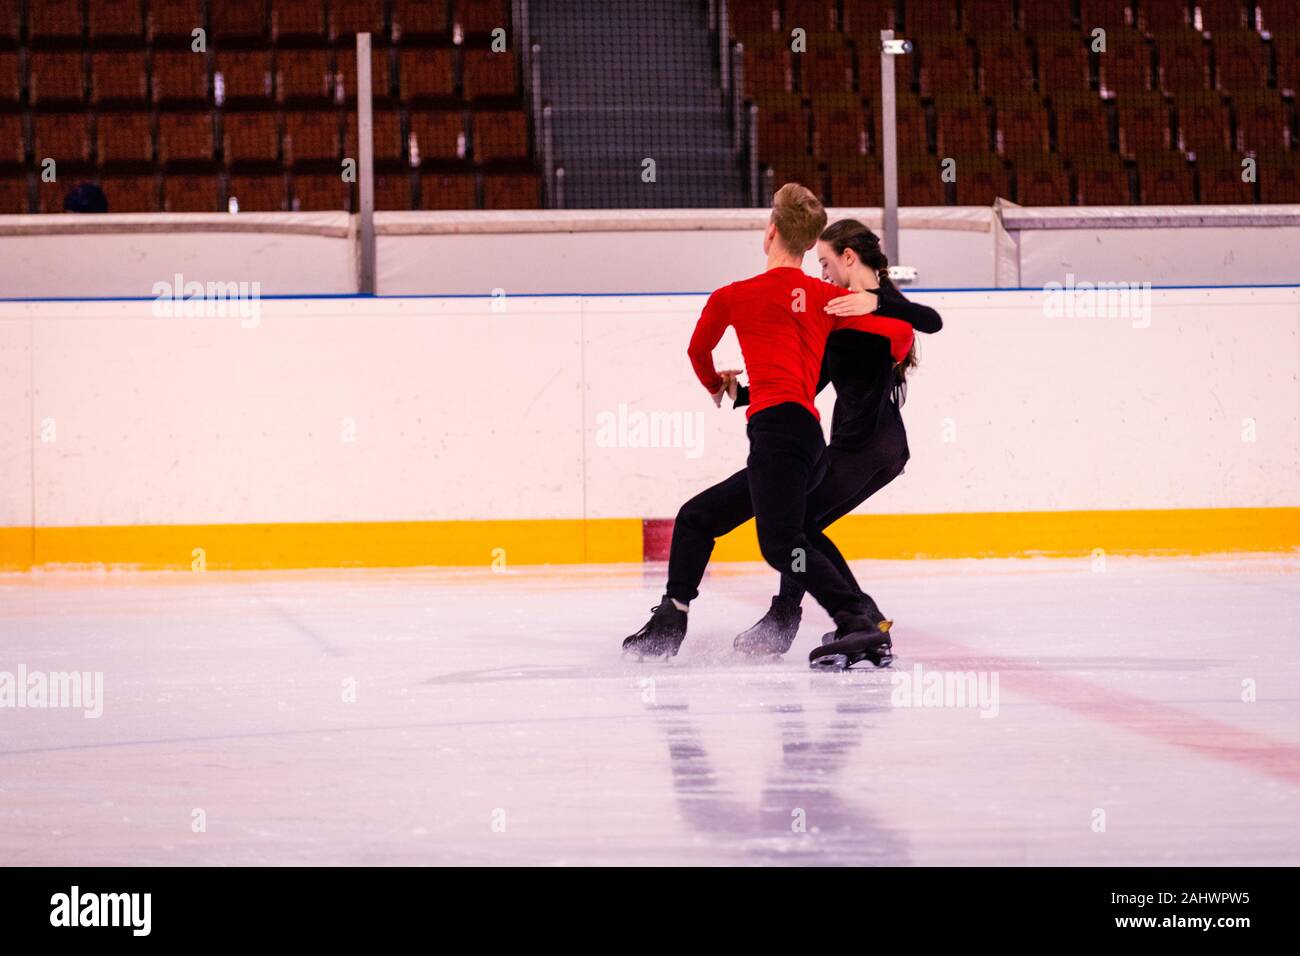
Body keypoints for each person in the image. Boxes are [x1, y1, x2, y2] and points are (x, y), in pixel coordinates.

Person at [622, 184, 910, 670]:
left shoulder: (734, 296)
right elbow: (900, 335)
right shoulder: (825, 297)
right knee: (698, 519)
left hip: (778, 435)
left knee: (783, 544)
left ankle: (855, 617)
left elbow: (697, 352)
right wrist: (868, 308)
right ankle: (672, 617)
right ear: (805, 242)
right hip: (807, 445)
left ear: (770, 233)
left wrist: (718, 383)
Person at [728, 220, 943, 666]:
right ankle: (859, 618)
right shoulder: (840, 310)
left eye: (825, 262)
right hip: (856, 447)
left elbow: (931, 322)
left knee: (798, 525)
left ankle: (825, 618)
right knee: (801, 525)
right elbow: (815, 377)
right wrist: (743, 394)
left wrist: (876, 300)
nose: (822, 272)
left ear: (849, 258)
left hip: (871, 447)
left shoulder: (886, 311)